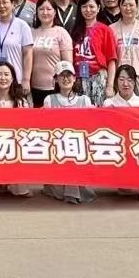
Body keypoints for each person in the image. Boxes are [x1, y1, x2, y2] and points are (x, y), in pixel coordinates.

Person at [43, 61, 95, 203]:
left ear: (74, 78)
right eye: (62, 76)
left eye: (69, 75)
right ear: (56, 79)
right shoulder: (49, 100)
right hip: (57, 146)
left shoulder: (84, 100)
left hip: (79, 146)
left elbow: (90, 126)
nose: (66, 79)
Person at [0, 60, 34, 197]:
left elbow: (26, 128)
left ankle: (13, 182)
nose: (3, 78)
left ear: (12, 78)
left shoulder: (21, 103)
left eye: (6, 74)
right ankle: (1, 180)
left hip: (14, 143)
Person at [0, 0, 35, 97]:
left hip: (16, 79)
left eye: (4, 2)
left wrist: (26, 79)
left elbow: (28, 54)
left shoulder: (22, 25)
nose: (1, 6)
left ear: (12, 4)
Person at [70, 0, 117, 105]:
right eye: (84, 6)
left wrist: (110, 86)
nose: (88, 10)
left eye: (91, 6)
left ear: (98, 8)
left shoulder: (105, 30)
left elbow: (111, 60)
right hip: (78, 79)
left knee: (98, 111)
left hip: (98, 78)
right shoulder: (74, 30)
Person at [30, 0, 74, 107]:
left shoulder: (61, 32)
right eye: (41, 9)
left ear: (55, 12)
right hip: (34, 87)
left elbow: (68, 64)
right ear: (36, 12)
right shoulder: (31, 32)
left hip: (56, 88)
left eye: (49, 9)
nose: (45, 12)